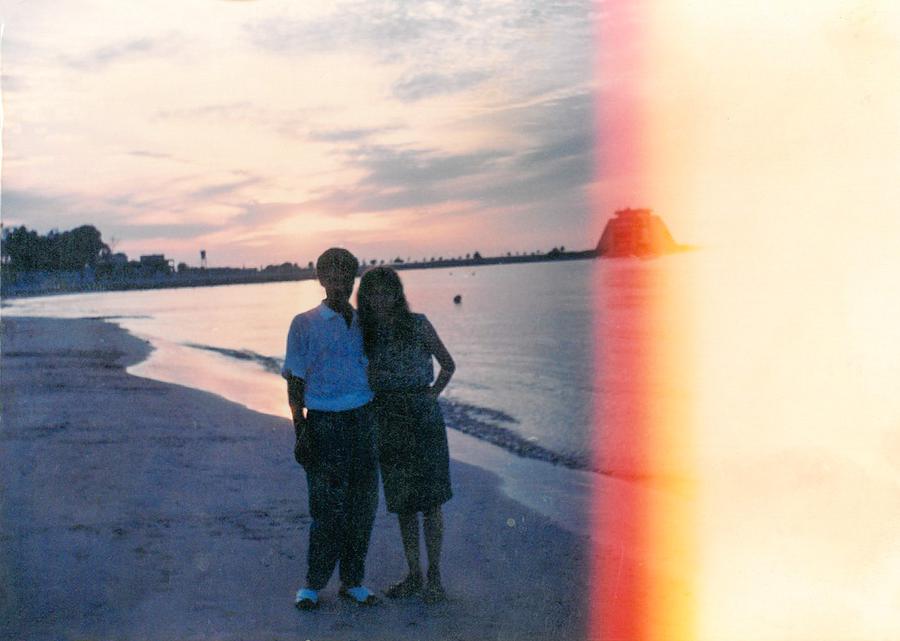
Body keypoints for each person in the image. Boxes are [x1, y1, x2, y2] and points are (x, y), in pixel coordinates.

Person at [283, 248, 380, 610]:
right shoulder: (304, 323)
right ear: (321, 279)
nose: (339, 283)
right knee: (325, 508)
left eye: (346, 277)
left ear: (353, 280)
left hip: (364, 420)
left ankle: (353, 581)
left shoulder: (364, 322)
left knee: (362, 506)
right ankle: (312, 584)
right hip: (323, 422)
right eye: (332, 276)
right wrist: (300, 430)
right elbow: (294, 381)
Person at [357, 266, 456, 603]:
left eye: (386, 291)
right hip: (387, 419)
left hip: (422, 418)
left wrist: (430, 396)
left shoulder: (418, 324)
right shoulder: (366, 333)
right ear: (365, 298)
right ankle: (414, 575)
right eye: (372, 293)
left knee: (430, 503)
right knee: (403, 505)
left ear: (397, 294)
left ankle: (436, 578)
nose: (379, 298)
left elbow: (448, 364)